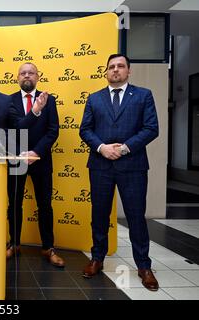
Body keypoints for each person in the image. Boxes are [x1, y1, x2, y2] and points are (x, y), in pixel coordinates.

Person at [79, 53, 159, 291]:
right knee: (100, 214)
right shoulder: (94, 98)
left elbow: (151, 128)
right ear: (106, 71)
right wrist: (102, 148)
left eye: (120, 66)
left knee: (136, 216)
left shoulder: (143, 95)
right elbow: (85, 130)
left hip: (132, 165)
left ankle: (144, 266)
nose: (115, 70)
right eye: (111, 66)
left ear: (128, 71)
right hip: (100, 165)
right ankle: (97, 259)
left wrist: (123, 148)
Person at [6, 63, 64, 267]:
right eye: (23, 73)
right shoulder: (9, 101)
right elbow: (14, 128)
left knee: (45, 205)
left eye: (31, 72)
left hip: (41, 160)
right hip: (16, 159)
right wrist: (22, 154)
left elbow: (53, 130)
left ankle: (48, 247)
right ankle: (14, 244)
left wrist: (36, 152)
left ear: (38, 76)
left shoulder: (50, 100)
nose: (26, 76)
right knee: (14, 204)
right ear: (17, 78)